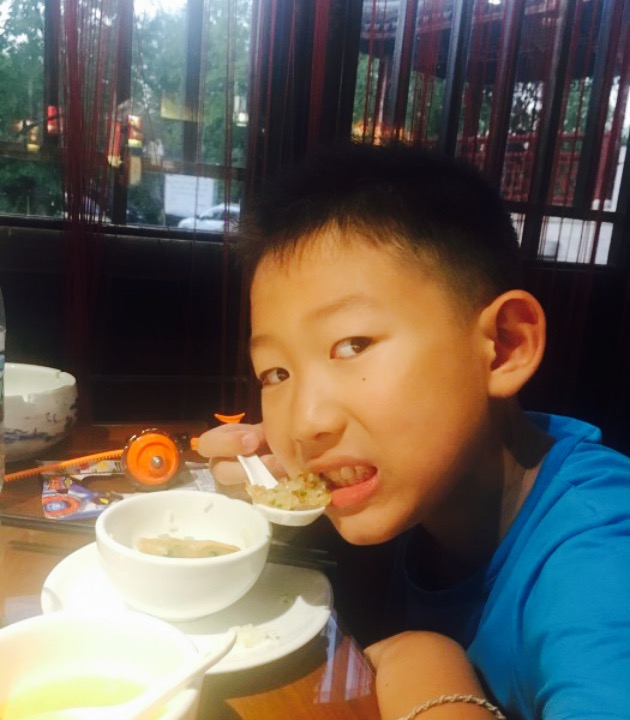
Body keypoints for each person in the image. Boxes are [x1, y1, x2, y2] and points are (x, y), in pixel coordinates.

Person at [195, 143, 630, 719]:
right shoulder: (424, 485)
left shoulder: (601, 555)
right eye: (276, 373)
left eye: (352, 345)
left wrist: (425, 663)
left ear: (504, 347)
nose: (305, 422)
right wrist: (265, 518)